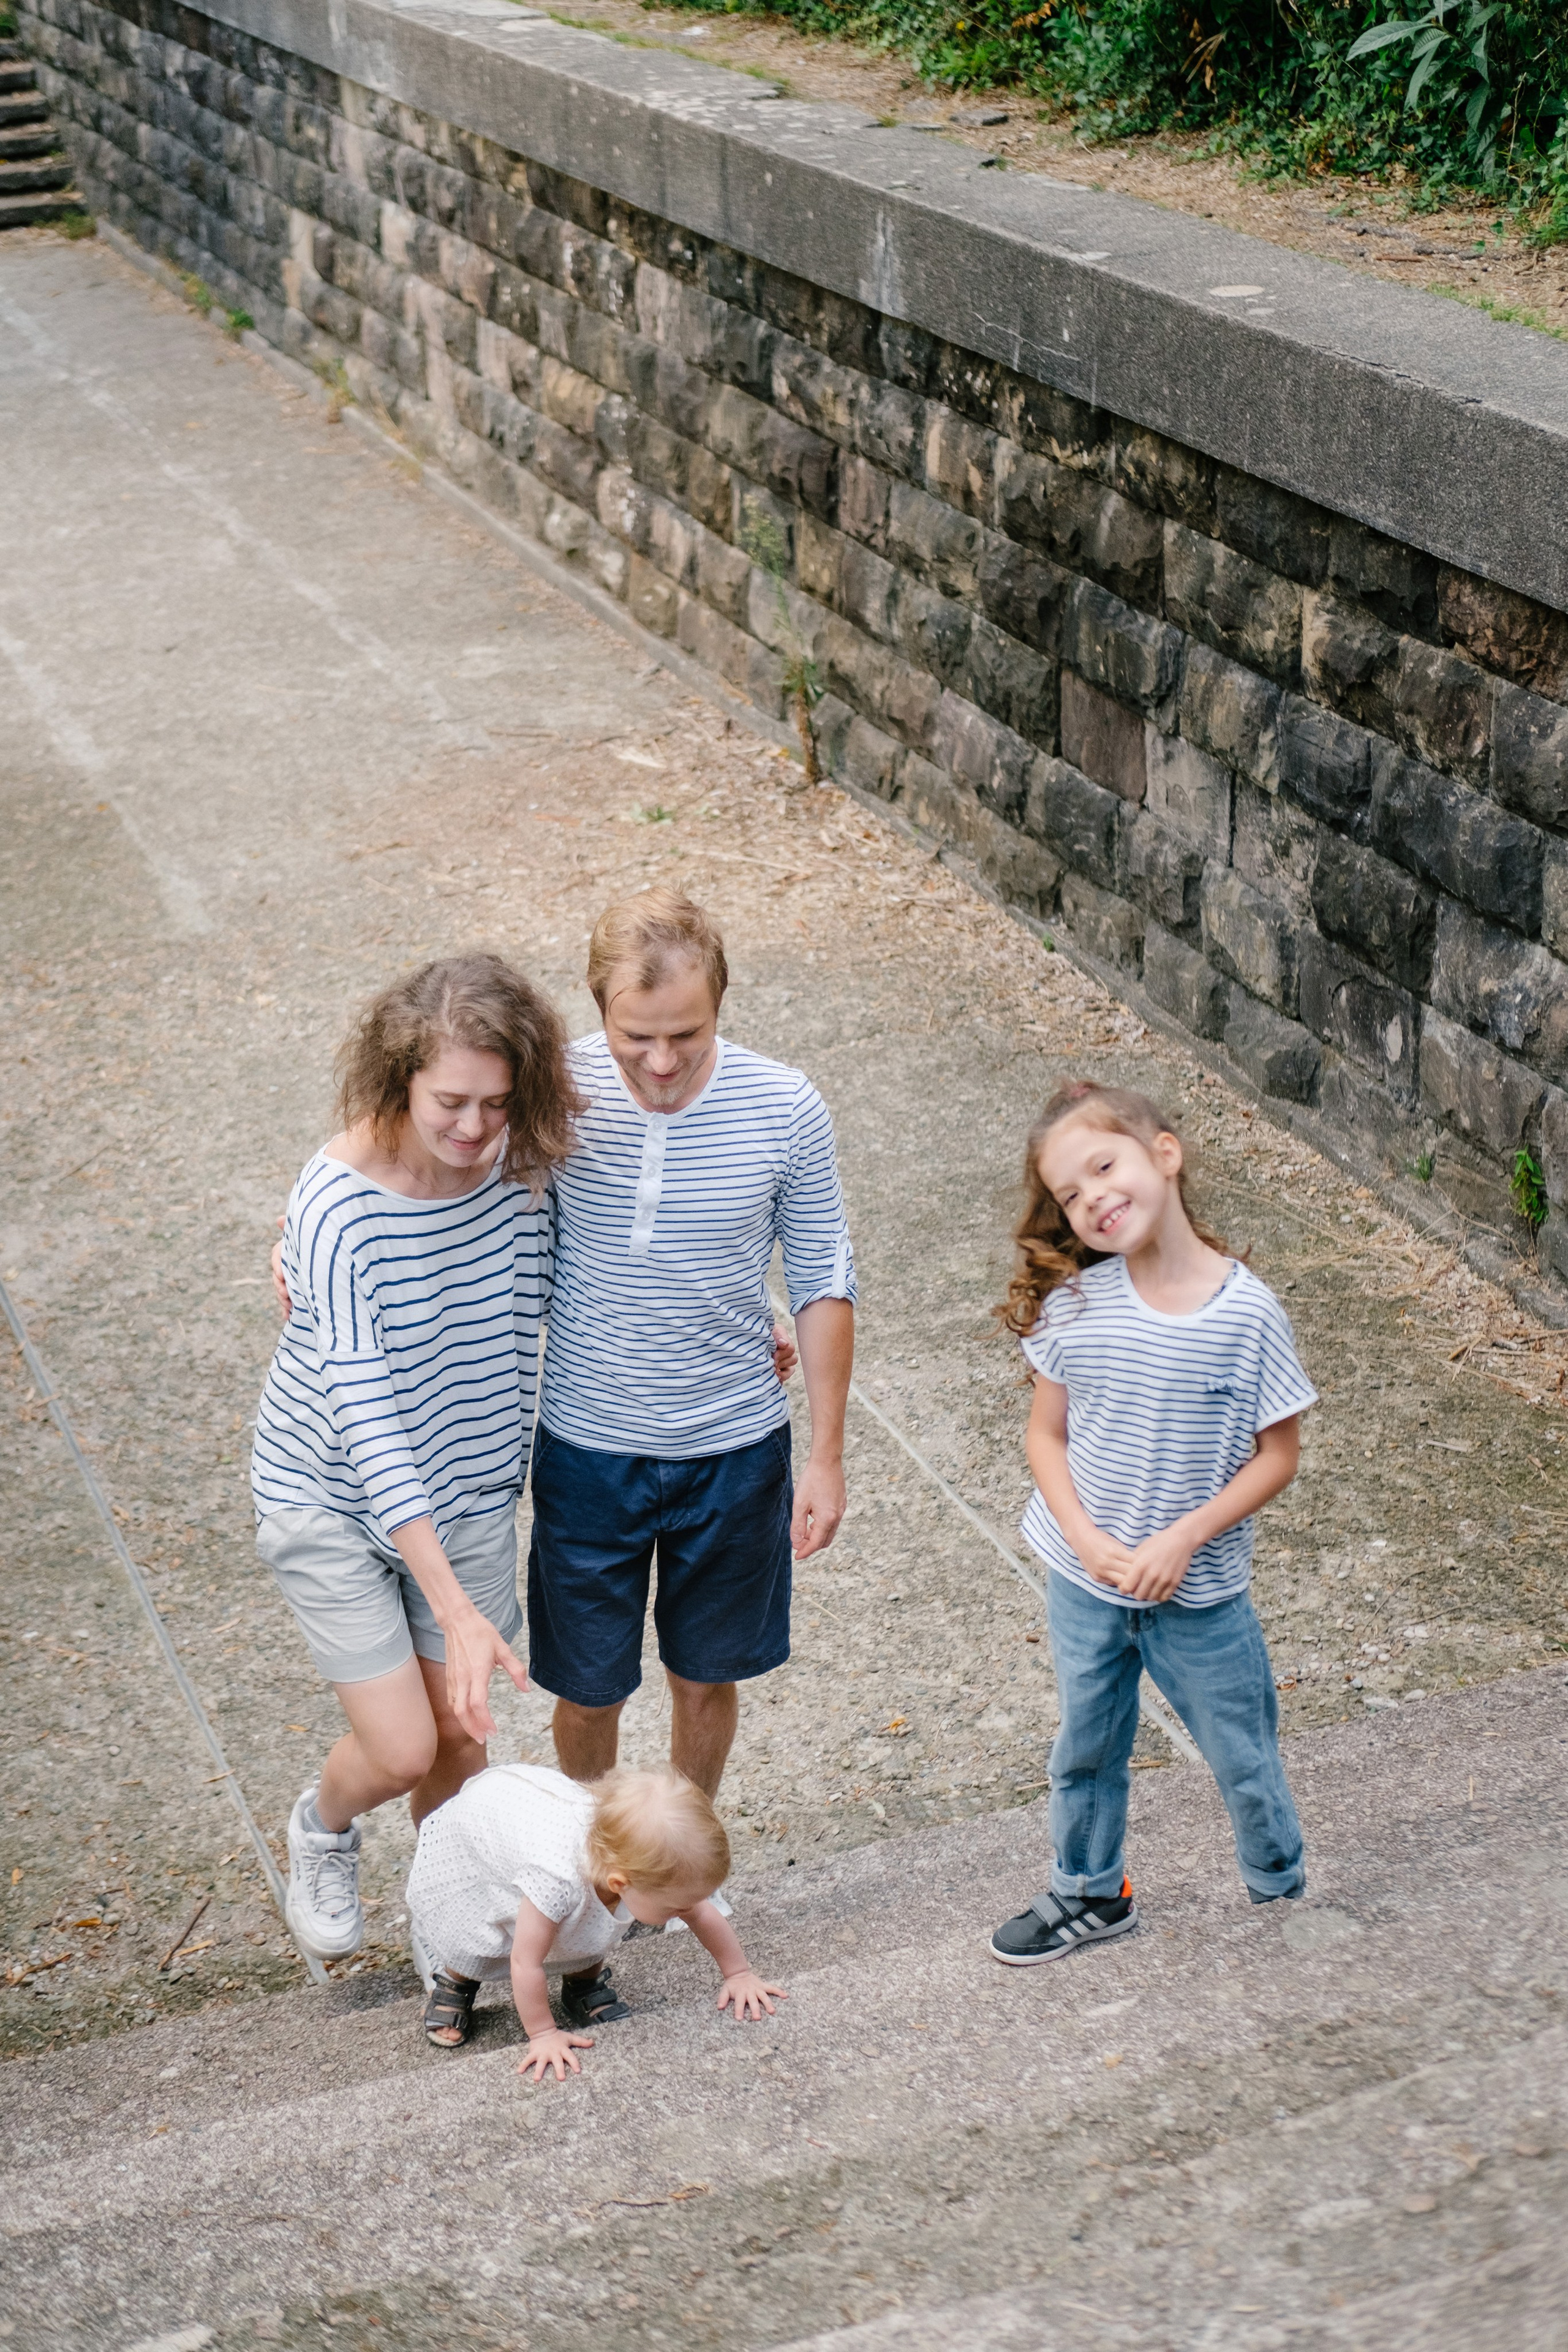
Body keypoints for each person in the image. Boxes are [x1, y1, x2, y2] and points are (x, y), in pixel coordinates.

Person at [251, 954, 582, 1964]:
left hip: (473, 1489)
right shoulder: (339, 1208)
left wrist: (756, 1312)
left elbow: (618, 1252)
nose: (476, 1129)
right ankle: (321, 1828)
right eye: (451, 1102)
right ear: (399, 1078)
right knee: (404, 1750)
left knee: (465, 1744)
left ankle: (447, 1923)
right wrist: (454, 1606)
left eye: (497, 1102)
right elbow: (368, 1420)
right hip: (333, 1494)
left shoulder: (533, 1160)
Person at [530, 887, 856, 1809]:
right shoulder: (550, 1088)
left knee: (707, 1677)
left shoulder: (785, 1105)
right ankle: (592, 1855)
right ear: (599, 1008)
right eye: (638, 1037)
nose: (663, 1061)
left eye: (689, 1033)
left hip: (736, 1452)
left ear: (721, 1005)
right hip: (589, 1450)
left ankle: (679, 1850)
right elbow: (433, 1162)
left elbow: (827, 1281)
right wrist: (306, 1228)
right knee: (587, 1688)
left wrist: (824, 1458)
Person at [987, 1080, 1317, 1968]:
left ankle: (1279, 1885)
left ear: (1164, 1155)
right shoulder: (1076, 1309)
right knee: (1086, 1748)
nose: (1092, 1196)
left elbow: (1277, 1457)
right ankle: (1089, 1892)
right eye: (1070, 1192)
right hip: (1084, 1580)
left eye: (1104, 1166)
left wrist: (1183, 1538)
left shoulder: (1245, 1315)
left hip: (1200, 1594)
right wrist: (1087, 1540)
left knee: (1241, 1752)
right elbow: (1045, 1437)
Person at [408, 1762, 784, 2074]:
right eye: (674, 1907)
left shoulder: (632, 1863)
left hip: (548, 1839)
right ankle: (458, 1979)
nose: (686, 1912)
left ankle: (582, 1984)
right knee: (483, 1931)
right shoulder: (556, 1879)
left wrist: (739, 1973)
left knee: (591, 1923)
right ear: (621, 1882)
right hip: (483, 1835)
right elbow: (525, 1961)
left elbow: (701, 1912)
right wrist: (542, 2033)